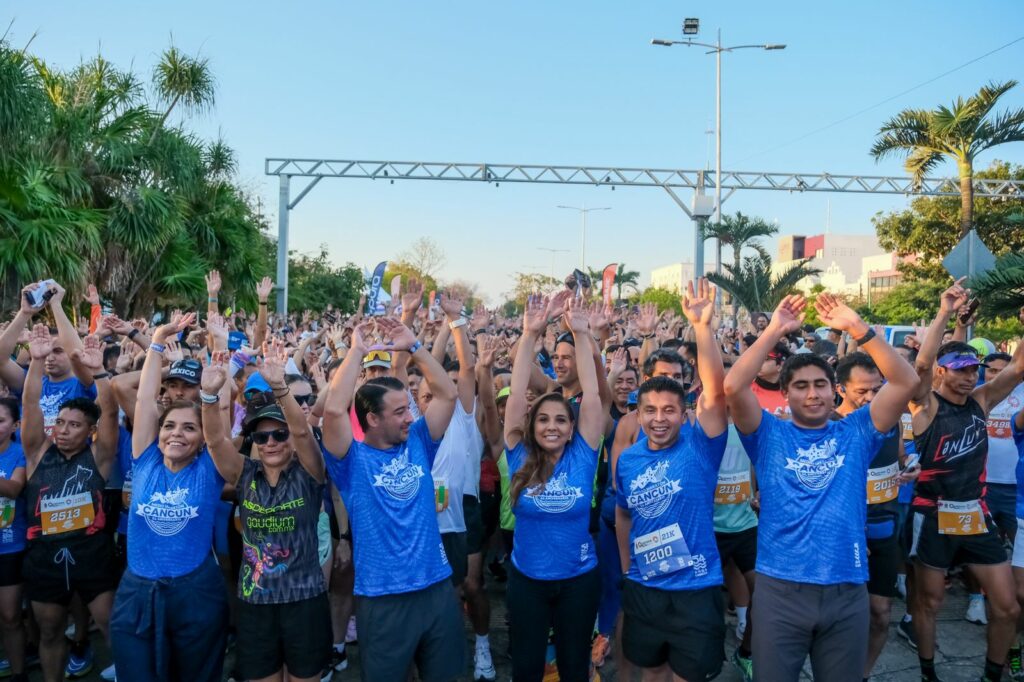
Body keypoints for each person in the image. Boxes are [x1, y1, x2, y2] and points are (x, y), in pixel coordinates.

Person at [723, 293, 918, 681]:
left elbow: (906, 380)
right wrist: (775, 329)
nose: (812, 393)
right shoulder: (767, 434)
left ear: (835, 392)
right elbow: (732, 386)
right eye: (800, 386)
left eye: (820, 385)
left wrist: (858, 328)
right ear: (785, 393)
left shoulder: (858, 430)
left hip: (846, 590)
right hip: (780, 592)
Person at [321, 316, 463, 682]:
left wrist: (415, 346)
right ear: (371, 418)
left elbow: (448, 393)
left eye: (409, 408)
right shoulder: (350, 461)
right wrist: (355, 352)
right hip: (383, 599)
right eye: (400, 411)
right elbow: (334, 410)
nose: (409, 417)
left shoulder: (418, 441)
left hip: (436, 589)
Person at [907, 278, 1024, 682]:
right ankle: (927, 672)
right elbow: (920, 367)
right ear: (942, 372)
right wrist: (943, 312)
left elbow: (1020, 367)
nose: (968, 377)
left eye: (973, 370)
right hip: (932, 513)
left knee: (1008, 606)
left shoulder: (981, 400)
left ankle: (993, 673)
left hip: (976, 513)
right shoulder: (925, 404)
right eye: (959, 371)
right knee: (930, 602)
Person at [614, 279, 729, 681]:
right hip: (646, 591)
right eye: (650, 410)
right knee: (651, 674)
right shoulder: (628, 460)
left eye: (669, 410)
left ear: (684, 414)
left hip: (696, 589)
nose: (659, 419)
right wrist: (629, 572)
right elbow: (624, 515)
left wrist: (702, 327)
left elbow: (715, 393)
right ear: (639, 414)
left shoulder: (700, 446)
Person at [202, 338, 331, 682]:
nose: (271, 442)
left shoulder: (308, 474)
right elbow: (215, 443)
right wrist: (209, 397)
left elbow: (303, 433)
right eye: (261, 437)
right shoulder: (245, 475)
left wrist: (279, 387)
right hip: (256, 603)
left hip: (304, 599)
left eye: (278, 434)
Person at [110, 312, 229, 682]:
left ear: (201, 439)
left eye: (189, 428)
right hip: (137, 592)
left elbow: (220, 421)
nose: (176, 434)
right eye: (170, 426)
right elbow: (145, 402)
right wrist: (158, 339)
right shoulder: (145, 459)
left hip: (194, 592)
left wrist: (219, 358)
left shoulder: (208, 469)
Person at [503, 295, 604, 682]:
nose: (551, 426)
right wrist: (529, 333)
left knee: (574, 666)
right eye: (542, 419)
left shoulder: (583, 454)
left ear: (572, 426)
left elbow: (592, 396)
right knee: (527, 668)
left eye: (561, 420)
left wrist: (580, 334)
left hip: (578, 580)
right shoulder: (518, 454)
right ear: (531, 424)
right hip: (527, 581)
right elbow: (515, 395)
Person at [21, 326, 119, 682]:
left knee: (111, 625)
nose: (62, 430)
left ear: (88, 432)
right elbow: (30, 405)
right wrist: (34, 361)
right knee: (49, 632)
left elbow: (108, 415)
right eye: (59, 422)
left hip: (91, 553)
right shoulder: (37, 454)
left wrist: (101, 375)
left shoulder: (100, 457)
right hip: (45, 557)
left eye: (73, 425)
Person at [833, 352, 920, 680]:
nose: (871, 397)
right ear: (841, 388)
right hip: (843, 536)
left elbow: (900, 457)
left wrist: (910, 467)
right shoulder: (830, 426)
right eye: (862, 391)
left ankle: (862, 674)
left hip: (884, 528)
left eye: (877, 389)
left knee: (881, 614)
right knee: (841, 618)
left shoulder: (891, 418)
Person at [0, 397, 27, 682]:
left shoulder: (20, 453)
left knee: (10, 616)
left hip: (10, 545)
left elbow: (14, 489)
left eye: (1, 420)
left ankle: (19, 674)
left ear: (15, 425)